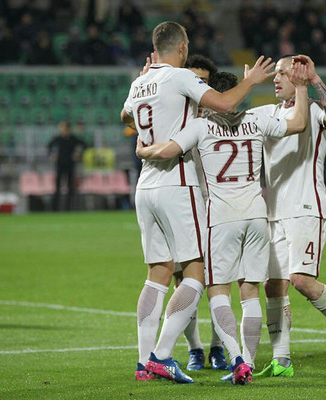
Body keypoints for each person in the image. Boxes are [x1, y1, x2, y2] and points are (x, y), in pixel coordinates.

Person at [120, 21, 275, 384]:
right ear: (183, 47)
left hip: (146, 186)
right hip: (177, 181)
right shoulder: (180, 77)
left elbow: (125, 117)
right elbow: (225, 102)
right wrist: (251, 81)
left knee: (158, 273)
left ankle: (143, 364)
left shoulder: (140, 82)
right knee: (197, 273)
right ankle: (161, 356)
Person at [135, 65, 310, 384]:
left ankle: (236, 360)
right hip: (257, 215)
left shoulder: (200, 126)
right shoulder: (256, 119)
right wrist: (301, 87)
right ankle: (248, 363)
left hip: (222, 218)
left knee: (217, 292)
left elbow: (168, 150)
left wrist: (142, 149)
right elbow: (298, 123)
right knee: (250, 291)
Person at [254, 54, 326, 378]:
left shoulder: (315, 110)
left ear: (298, 78)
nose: (276, 79)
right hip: (274, 211)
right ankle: (282, 359)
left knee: (301, 281)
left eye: (282, 73)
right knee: (273, 286)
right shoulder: (269, 113)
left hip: (305, 207)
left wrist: (314, 79)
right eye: (275, 74)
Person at [176, 54, 227, 372]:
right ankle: (194, 348)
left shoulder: (222, 120)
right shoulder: (172, 119)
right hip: (182, 208)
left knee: (219, 280)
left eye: (203, 82)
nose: (196, 87)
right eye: (192, 79)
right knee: (184, 281)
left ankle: (218, 347)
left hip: (216, 209)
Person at [47, 121, 86, 211]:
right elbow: (49, 146)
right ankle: (55, 208)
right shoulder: (58, 139)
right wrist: (52, 154)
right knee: (57, 187)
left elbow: (84, 145)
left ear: (67, 128)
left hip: (70, 164)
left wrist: (79, 154)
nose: (61, 129)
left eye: (63, 127)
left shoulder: (73, 139)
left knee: (70, 187)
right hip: (60, 164)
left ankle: (69, 208)